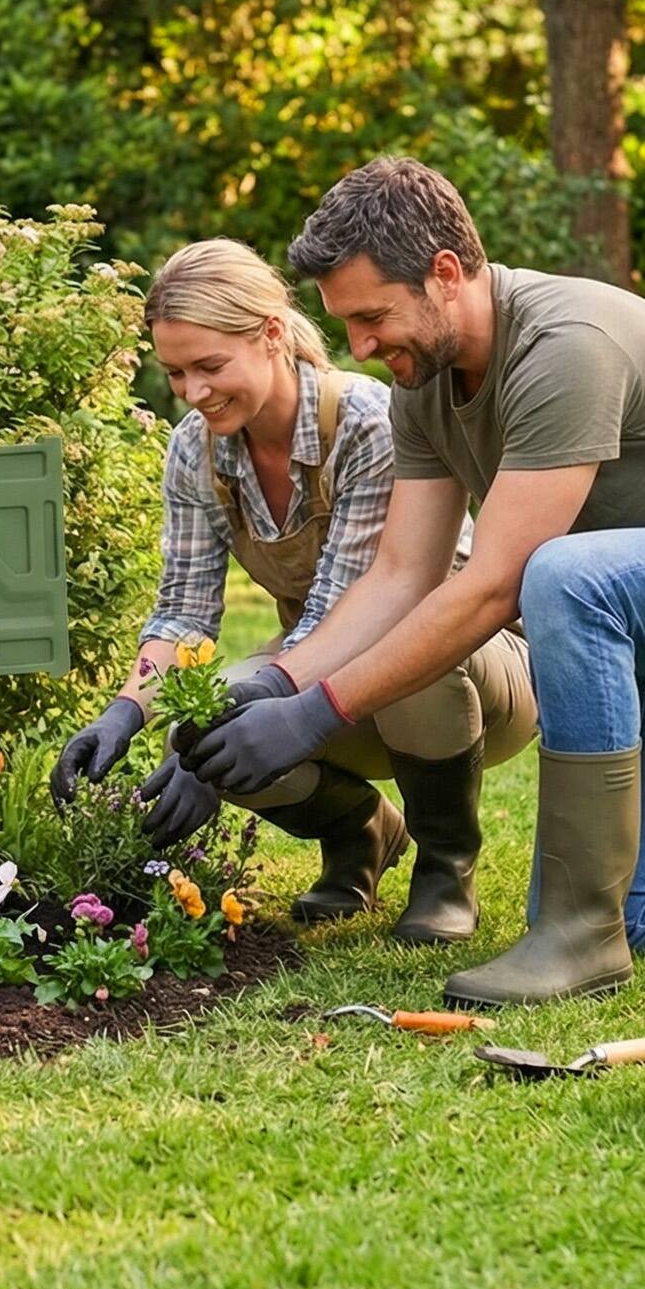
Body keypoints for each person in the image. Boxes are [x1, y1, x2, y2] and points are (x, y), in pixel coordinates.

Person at [178, 157, 645, 1005]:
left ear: (447, 275)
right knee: (624, 902)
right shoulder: (422, 384)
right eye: (346, 324)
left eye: (373, 317)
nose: (358, 348)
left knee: (558, 575)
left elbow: (494, 586)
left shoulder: (565, 344)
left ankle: (579, 943)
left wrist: (316, 715)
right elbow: (401, 577)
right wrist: (275, 683)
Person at [52, 239, 537, 942]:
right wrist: (129, 712)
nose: (193, 392)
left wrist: (221, 729)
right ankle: (360, 831)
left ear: (273, 333)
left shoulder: (367, 423)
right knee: (206, 728)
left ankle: (444, 870)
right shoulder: (197, 450)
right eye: (176, 373)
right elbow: (184, 611)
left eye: (210, 366)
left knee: (406, 660)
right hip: (325, 677)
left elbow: (366, 609)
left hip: (477, 677)